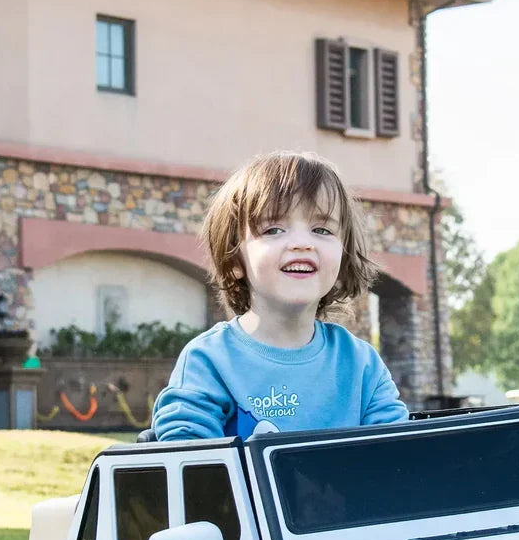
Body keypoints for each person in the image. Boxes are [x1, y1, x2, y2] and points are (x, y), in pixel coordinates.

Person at [151, 151, 408, 441]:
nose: (301, 243)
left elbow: (398, 458)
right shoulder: (210, 361)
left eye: (321, 229)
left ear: (343, 254)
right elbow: (186, 464)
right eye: (273, 229)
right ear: (235, 261)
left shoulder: (361, 364)